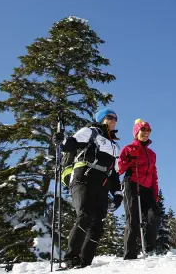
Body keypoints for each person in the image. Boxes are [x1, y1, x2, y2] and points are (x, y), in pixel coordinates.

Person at [58, 108, 123, 268]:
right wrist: (62, 140)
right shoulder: (90, 131)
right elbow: (71, 143)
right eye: (109, 117)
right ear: (101, 119)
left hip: (102, 184)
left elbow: (113, 172)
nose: (113, 120)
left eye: (115, 118)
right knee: (85, 215)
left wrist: (117, 192)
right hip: (83, 177)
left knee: (97, 225)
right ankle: (70, 258)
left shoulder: (115, 146)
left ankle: (84, 262)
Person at [118, 119, 161, 260]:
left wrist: (155, 194)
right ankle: (130, 254)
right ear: (136, 132)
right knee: (134, 219)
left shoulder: (152, 153)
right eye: (143, 130)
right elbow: (119, 169)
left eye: (148, 131)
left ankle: (149, 248)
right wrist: (130, 159)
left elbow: (154, 175)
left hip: (147, 188)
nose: (146, 133)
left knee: (154, 215)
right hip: (132, 184)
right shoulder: (128, 148)